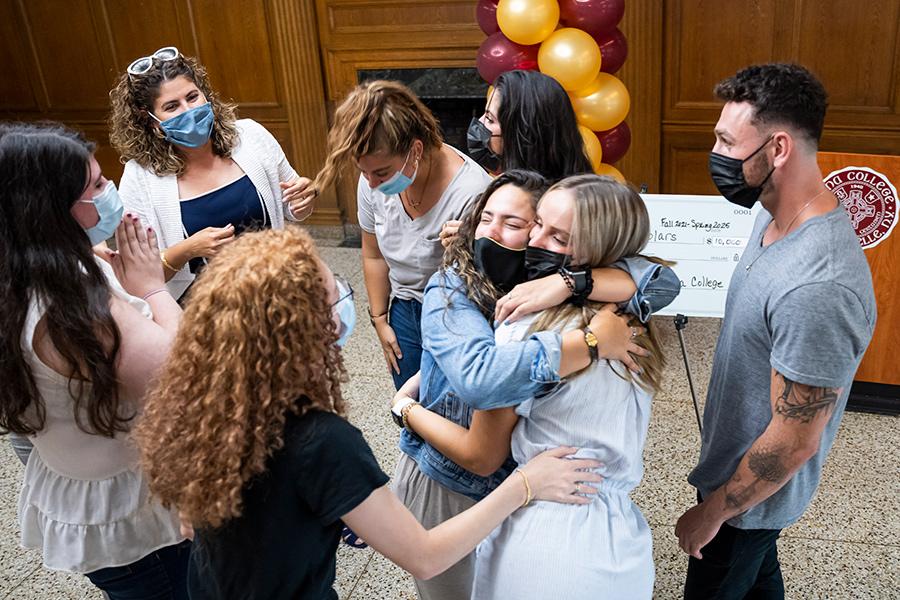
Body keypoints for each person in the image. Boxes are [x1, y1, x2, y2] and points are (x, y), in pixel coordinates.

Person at [132, 226, 603, 599]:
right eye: (328, 294)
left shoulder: (206, 398)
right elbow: (425, 556)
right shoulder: (321, 439)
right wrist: (525, 484)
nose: (340, 299)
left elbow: (192, 523)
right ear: (303, 328)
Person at [388, 170, 678, 600]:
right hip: (453, 484)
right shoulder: (457, 287)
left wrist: (567, 285)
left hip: (540, 506)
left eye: (518, 224)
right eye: (485, 218)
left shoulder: (548, 308)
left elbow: (663, 279)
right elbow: (480, 380)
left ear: (590, 252)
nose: (493, 234)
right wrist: (592, 341)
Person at [674, 63, 876, 599]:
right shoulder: (770, 215)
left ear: (778, 148)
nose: (715, 153)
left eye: (724, 139)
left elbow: (794, 441)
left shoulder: (819, 285)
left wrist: (713, 513)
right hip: (738, 482)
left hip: (747, 505)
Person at [0, 122, 188, 599]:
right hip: (133, 512)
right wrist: (151, 287)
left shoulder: (19, 276)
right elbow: (185, 373)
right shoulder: (69, 312)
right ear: (53, 211)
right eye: (98, 186)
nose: (111, 192)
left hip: (76, 477)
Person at [313, 80, 493, 390]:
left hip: (457, 310)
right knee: (410, 405)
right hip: (403, 309)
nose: (370, 183)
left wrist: (467, 248)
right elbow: (373, 254)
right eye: (363, 171)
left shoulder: (471, 190)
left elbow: (486, 283)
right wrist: (381, 320)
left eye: (381, 173)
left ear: (416, 150)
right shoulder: (372, 180)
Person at [109, 46, 316, 299]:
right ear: (151, 120)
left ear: (206, 95)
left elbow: (292, 208)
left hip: (277, 290)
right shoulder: (139, 177)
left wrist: (303, 199)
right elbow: (138, 278)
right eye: (172, 106)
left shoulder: (251, 136)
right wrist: (188, 249)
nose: (189, 111)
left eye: (193, 97)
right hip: (206, 311)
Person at [466, 69, 593, 180]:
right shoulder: (581, 191)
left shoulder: (514, 200)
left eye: (489, 119)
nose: (479, 122)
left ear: (522, 136)